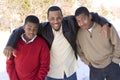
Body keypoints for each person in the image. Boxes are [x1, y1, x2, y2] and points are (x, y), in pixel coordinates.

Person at [4, 6, 111, 80]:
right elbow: (20, 30)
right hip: (52, 74)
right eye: (52, 18)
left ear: (62, 17)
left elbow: (91, 15)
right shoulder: (42, 28)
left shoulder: (71, 23)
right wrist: (10, 44)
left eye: (58, 17)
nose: (56, 21)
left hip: (70, 71)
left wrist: (105, 23)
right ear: (47, 19)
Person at [75, 6, 120, 80]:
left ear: (89, 16)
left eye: (84, 19)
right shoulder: (79, 34)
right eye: (79, 21)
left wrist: (115, 60)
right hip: (94, 69)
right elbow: (79, 51)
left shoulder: (106, 26)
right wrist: (88, 63)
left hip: (111, 65)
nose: (82, 23)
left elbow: (118, 44)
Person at [6, 15, 50, 80]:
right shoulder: (15, 42)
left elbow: (44, 66)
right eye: (29, 28)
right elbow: (9, 63)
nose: (32, 32)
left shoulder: (42, 44)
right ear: (23, 27)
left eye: (35, 29)